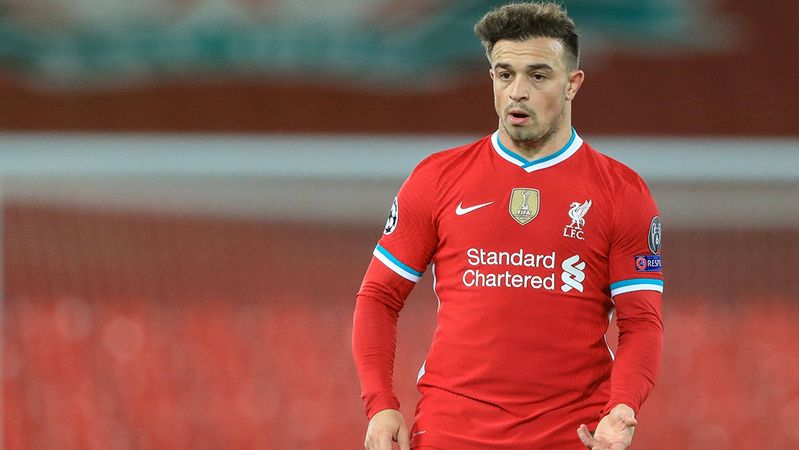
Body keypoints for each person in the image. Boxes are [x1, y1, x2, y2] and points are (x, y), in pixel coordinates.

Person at [352, 2, 664, 449]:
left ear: (572, 83)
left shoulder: (622, 192)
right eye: (505, 74)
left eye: (537, 76)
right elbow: (379, 297)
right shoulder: (437, 178)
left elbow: (642, 322)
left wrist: (623, 405)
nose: (517, 91)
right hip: (450, 432)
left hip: (571, 435)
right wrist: (380, 404)